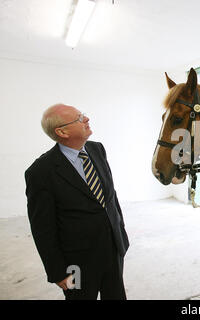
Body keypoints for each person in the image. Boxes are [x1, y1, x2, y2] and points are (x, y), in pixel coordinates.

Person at [25, 103, 129, 299]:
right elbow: (42, 228)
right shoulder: (41, 172)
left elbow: (110, 197)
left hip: (112, 248)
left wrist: (121, 233)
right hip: (77, 263)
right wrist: (57, 271)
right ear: (62, 131)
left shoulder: (97, 149)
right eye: (79, 118)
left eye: (84, 115)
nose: (87, 119)